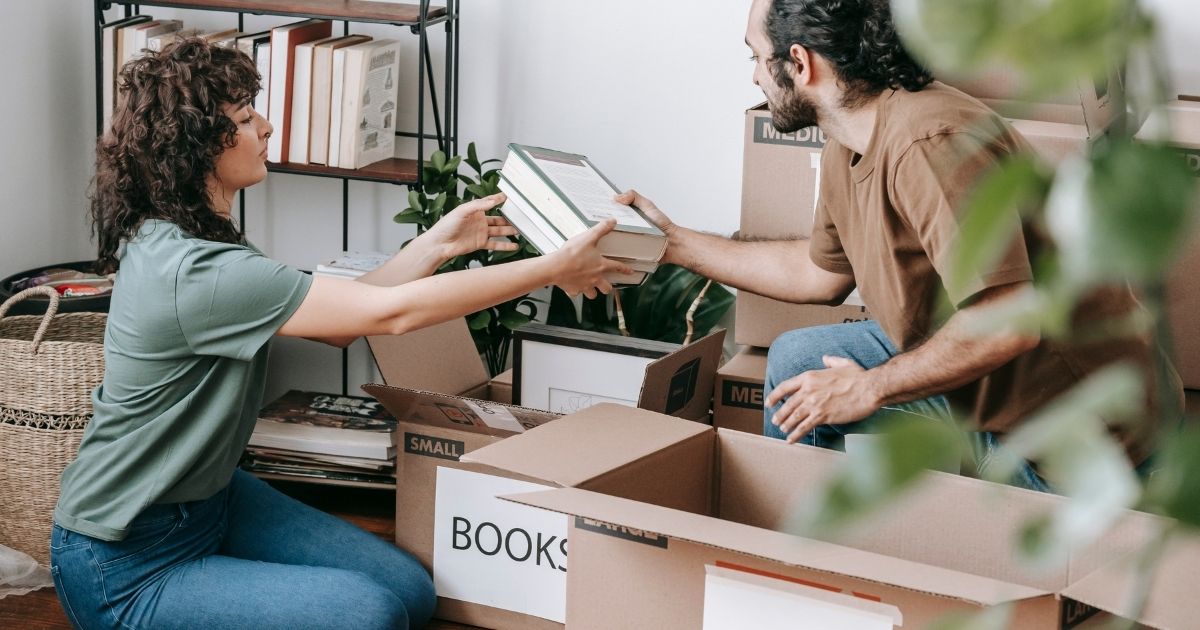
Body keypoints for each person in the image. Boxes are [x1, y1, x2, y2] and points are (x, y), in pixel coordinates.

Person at [50, 38, 629, 630]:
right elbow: (392, 316)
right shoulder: (195, 271)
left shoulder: (200, 239)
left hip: (211, 503)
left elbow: (345, 320)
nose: (268, 127)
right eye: (246, 118)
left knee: (409, 591)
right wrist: (552, 268)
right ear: (196, 146)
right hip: (124, 562)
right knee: (368, 614)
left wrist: (440, 243)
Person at [616, 0, 1179, 491]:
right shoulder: (850, 135)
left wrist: (871, 388)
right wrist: (673, 244)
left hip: (1073, 432)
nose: (754, 78)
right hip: (990, 387)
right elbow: (816, 275)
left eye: (756, 58)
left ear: (800, 64)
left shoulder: (925, 143)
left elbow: (1009, 320)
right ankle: (797, 558)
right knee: (797, 365)